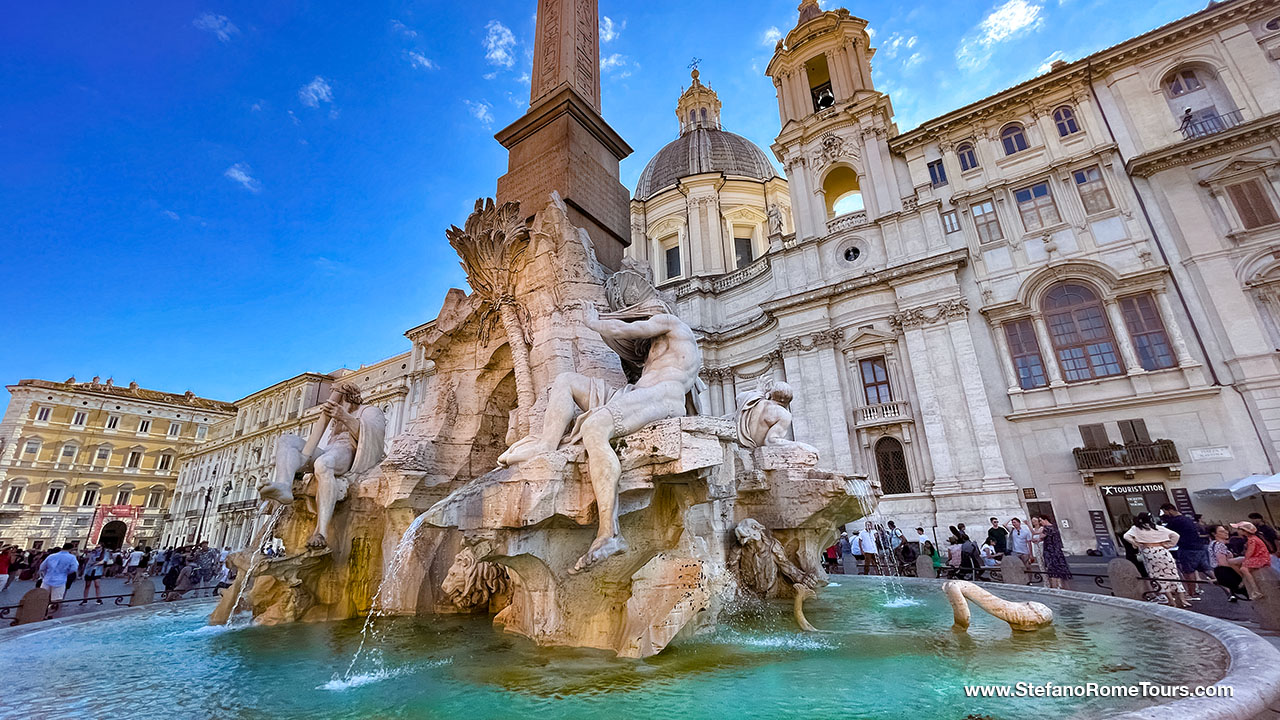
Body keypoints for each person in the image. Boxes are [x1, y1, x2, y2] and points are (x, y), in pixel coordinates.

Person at [495, 272, 702, 573]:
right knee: (566, 381)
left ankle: (609, 533)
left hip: (663, 396)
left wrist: (593, 321)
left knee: (594, 427)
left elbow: (625, 329)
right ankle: (546, 445)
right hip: (634, 395)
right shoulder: (657, 349)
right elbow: (629, 337)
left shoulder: (671, 323)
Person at [1124, 512, 1189, 608]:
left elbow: (1126, 536)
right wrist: (1168, 545)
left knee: (1158, 576)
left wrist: (1136, 543)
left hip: (1149, 552)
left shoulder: (1136, 528)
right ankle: (1183, 599)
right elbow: (1175, 535)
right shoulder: (1158, 528)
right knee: (1173, 574)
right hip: (1163, 551)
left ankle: (1171, 600)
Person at [1161, 503, 1210, 595]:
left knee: (1188, 571)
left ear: (1170, 510)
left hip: (1187, 548)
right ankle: (1228, 589)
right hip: (1199, 546)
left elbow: (1164, 532)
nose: (1165, 514)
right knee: (1207, 570)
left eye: (1165, 512)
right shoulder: (1187, 519)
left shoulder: (1175, 521)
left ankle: (1191, 592)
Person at [1228, 521, 1271, 600]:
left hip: (1260, 558)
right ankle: (1244, 579)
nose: (1237, 531)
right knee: (1233, 562)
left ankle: (1255, 590)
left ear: (1244, 531)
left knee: (1243, 568)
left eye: (1239, 529)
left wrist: (1245, 561)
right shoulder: (1251, 539)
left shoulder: (1252, 540)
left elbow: (1250, 552)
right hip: (1257, 556)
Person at [1207, 525, 1249, 601]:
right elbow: (1222, 563)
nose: (1226, 532)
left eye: (1225, 530)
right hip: (1226, 572)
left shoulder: (1213, 544)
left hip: (1221, 572)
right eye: (1221, 531)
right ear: (1214, 534)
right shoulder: (1219, 545)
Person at [1032, 515, 1071, 589]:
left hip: (1051, 551)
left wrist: (1028, 525)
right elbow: (1042, 539)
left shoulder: (1047, 528)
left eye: (1041, 520)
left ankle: (1055, 586)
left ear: (1045, 520)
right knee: (1059, 569)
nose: (1040, 522)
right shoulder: (1054, 527)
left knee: (1052, 569)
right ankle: (1061, 586)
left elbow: (1040, 536)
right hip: (1056, 550)